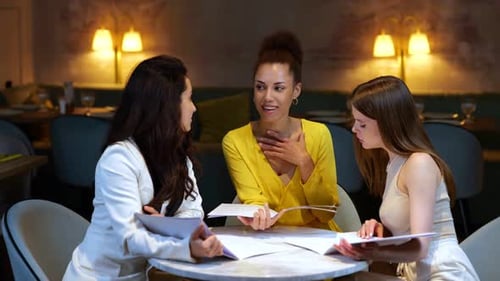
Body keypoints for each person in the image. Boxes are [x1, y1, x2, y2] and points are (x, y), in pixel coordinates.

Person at [63, 55, 224, 281]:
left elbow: (194, 211)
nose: (194, 108)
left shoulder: (177, 154)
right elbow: (129, 238)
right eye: (189, 98)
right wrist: (185, 247)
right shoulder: (119, 159)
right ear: (168, 107)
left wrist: (165, 226)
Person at [335, 76, 479, 280]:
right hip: (416, 274)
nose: (354, 129)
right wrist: (382, 231)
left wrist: (372, 253)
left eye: (362, 124)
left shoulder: (419, 163)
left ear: (387, 123)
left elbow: (420, 246)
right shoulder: (394, 164)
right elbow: (409, 230)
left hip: (442, 273)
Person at [222, 30, 340, 231]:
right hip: (267, 242)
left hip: (318, 245)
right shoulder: (235, 140)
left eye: (278, 88)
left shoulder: (319, 134)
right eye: (260, 87)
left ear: (296, 91)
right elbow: (253, 202)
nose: (267, 97)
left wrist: (303, 161)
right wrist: (257, 216)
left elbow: (325, 212)